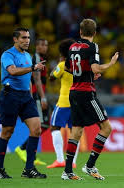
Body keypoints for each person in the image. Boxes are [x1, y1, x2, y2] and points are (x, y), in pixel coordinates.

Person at [61, 18, 119, 180]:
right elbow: (95, 67)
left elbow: (67, 67)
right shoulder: (92, 46)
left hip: (74, 92)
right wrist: (110, 64)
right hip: (86, 92)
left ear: (80, 32)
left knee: (77, 130)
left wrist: (86, 74)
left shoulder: (72, 47)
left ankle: (67, 171)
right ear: (94, 33)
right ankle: (89, 166)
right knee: (106, 128)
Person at [0, 27, 46, 179]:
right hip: (10, 95)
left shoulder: (28, 56)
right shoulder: (8, 55)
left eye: (28, 37)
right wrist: (32, 67)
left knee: (36, 129)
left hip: (25, 97)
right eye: (23, 38)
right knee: (7, 132)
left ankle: (29, 169)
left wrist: (30, 95)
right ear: (15, 39)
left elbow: (28, 78)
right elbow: (13, 71)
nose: (27, 40)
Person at [15, 38, 49, 166]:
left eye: (46, 45)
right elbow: (37, 79)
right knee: (41, 125)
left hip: (38, 95)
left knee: (43, 125)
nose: (44, 47)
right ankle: (24, 149)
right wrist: (42, 97)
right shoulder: (35, 58)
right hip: (36, 95)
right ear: (36, 46)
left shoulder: (39, 58)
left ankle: (30, 154)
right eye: (42, 44)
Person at [47, 38, 80, 169]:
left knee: (54, 127)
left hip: (64, 102)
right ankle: (72, 161)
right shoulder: (80, 65)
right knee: (75, 131)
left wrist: (58, 64)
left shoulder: (62, 65)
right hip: (77, 103)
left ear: (62, 52)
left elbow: (51, 77)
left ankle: (60, 159)